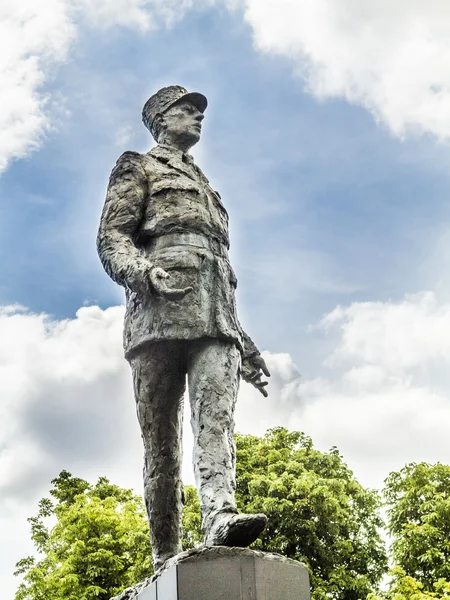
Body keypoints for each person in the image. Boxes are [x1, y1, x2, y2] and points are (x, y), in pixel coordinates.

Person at [97, 85, 270, 571]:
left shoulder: (207, 186)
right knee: (162, 444)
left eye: (198, 111)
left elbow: (217, 265)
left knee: (216, 422)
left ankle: (220, 515)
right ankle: (165, 553)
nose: (197, 116)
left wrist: (246, 344)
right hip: (158, 311)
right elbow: (112, 236)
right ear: (160, 119)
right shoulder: (139, 165)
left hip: (215, 316)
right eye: (185, 109)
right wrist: (140, 271)